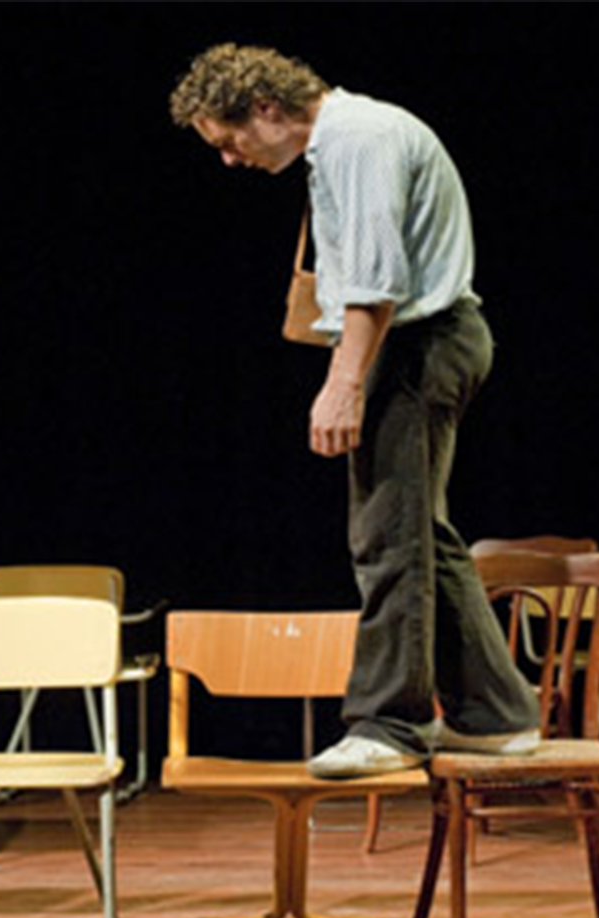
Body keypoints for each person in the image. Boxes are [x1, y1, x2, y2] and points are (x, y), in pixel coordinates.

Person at [170, 43, 539, 778]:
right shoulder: (345, 140)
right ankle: (497, 716)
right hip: (425, 342)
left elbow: (375, 281)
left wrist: (344, 383)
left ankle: (391, 725)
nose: (231, 160)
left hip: (417, 345)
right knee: (421, 535)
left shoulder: (358, 140)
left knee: (386, 538)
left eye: (230, 140)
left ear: (267, 109)